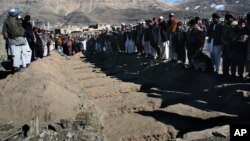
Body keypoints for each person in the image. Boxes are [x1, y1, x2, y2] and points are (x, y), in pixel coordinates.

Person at [2, 7, 30, 72]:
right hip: (18, 40)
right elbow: (20, 31)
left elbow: (4, 31)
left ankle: (15, 68)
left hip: (11, 41)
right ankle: (19, 67)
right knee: (19, 54)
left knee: (14, 55)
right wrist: (22, 35)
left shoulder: (6, 21)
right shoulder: (16, 21)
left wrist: (7, 38)